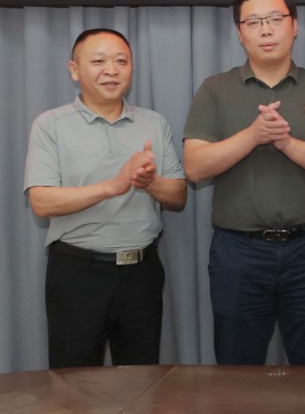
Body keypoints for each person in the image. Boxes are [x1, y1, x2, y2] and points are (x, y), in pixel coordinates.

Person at [183, 0, 305, 366]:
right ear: (239, 33)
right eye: (254, 22)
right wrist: (253, 135)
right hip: (238, 252)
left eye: (275, 19)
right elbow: (194, 167)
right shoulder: (215, 89)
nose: (266, 30)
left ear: (295, 25)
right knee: (236, 369)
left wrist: (286, 143)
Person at [24, 28, 187, 368]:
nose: (111, 70)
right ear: (74, 70)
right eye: (98, 61)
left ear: (132, 68)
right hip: (77, 274)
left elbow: (178, 195)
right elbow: (41, 202)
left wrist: (149, 182)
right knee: (73, 385)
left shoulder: (154, 123)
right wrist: (113, 186)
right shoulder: (50, 125)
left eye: (121, 61)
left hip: (141, 273)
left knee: (142, 382)